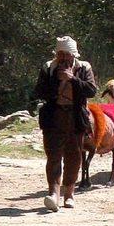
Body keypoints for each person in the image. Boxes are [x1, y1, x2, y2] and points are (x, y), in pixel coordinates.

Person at [34, 36, 97, 212]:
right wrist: (58, 82)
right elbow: (39, 91)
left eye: (67, 55)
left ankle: (69, 194)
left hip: (76, 118)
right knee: (53, 156)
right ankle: (53, 194)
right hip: (54, 118)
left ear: (73, 55)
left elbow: (91, 90)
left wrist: (72, 79)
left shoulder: (84, 67)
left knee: (74, 157)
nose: (64, 58)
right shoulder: (48, 68)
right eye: (61, 54)